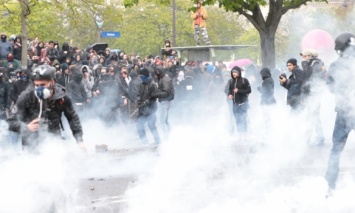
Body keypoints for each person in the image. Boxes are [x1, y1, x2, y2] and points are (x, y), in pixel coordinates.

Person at [6, 65, 87, 152]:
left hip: (54, 140)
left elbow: (73, 118)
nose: (39, 88)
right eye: (36, 85)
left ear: (52, 82)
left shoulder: (62, 96)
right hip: (31, 144)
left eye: (43, 84)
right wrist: (26, 127)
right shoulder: (26, 96)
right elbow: (10, 122)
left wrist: (79, 140)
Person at [325, 33, 355, 197]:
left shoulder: (336, 65)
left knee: (336, 150)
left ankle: (330, 186)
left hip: (344, 112)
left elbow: (331, 88)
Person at [300, 49, 326, 146]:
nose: (304, 58)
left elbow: (309, 76)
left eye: (306, 56)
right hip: (312, 93)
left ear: (311, 56)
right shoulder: (312, 63)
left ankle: (309, 138)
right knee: (313, 116)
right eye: (303, 56)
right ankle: (319, 136)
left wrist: (305, 65)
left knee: (312, 116)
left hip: (314, 94)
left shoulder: (315, 64)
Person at [226, 66, 251, 141]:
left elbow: (249, 90)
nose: (234, 74)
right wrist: (229, 94)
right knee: (237, 119)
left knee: (243, 119)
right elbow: (229, 90)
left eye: (235, 72)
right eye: (233, 72)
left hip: (243, 103)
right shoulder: (231, 81)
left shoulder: (244, 80)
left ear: (239, 73)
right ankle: (239, 134)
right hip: (235, 104)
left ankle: (245, 134)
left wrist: (239, 91)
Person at [136, 68, 161, 145]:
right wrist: (138, 101)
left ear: (146, 76)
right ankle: (144, 141)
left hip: (151, 109)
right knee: (139, 125)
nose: (140, 78)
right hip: (142, 110)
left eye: (142, 76)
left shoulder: (153, 85)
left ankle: (157, 141)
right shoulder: (141, 84)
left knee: (151, 126)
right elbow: (138, 94)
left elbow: (154, 96)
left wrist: (146, 102)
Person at [154, 66, 174, 137]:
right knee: (165, 120)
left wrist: (156, 94)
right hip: (166, 101)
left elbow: (166, 92)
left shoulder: (164, 80)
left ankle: (166, 138)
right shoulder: (164, 79)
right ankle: (170, 135)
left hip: (165, 101)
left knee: (162, 121)